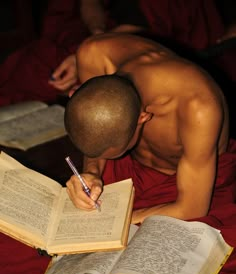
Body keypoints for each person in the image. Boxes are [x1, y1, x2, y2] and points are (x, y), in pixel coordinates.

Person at [64, 32, 232, 225]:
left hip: (192, 187)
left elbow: (193, 208)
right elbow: (99, 131)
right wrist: (91, 172)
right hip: (130, 175)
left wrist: (116, 222)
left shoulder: (199, 107)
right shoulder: (94, 56)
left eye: (116, 153)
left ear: (143, 118)